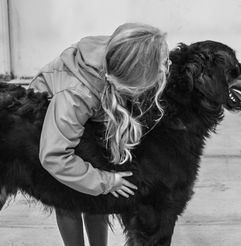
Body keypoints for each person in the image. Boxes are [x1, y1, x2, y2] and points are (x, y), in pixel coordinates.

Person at [28, 23, 170, 246]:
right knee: (68, 199)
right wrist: (105, 181)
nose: (163, 70)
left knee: (95, 197)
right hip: (48, 126)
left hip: (87, 114)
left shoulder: (125, 52)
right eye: (158, 68)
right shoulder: (76, 96)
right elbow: (54, 156)